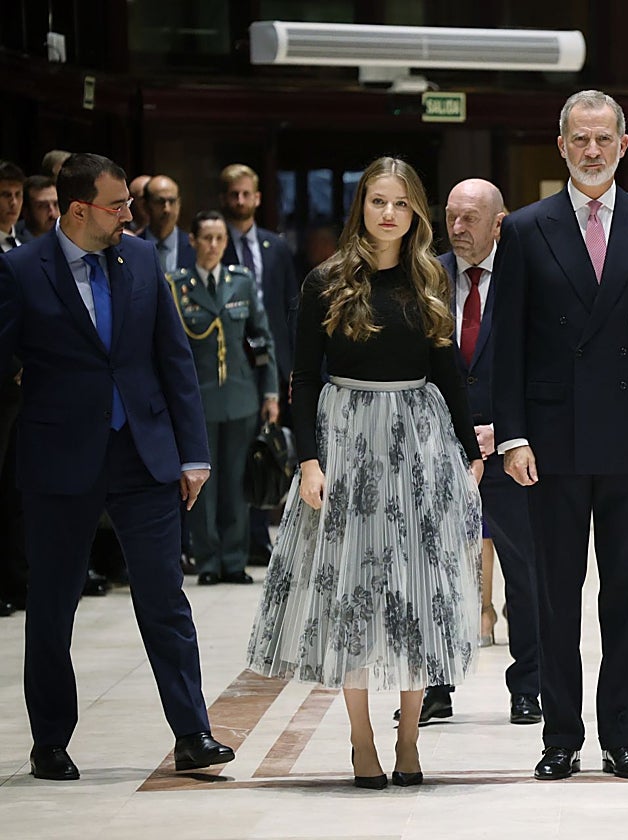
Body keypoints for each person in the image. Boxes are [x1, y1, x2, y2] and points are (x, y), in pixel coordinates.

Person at [245, 156, 484, 790]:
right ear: (362, 208)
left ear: (415, 214)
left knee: (413, 592)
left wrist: (469, 452)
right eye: (378, 201)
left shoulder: (431, 276)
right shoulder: (325, 279)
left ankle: (409, 739)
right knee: (352, 595)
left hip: (417, 439)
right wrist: (308, 459)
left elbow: (449, 374)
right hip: (346, 439)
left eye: (401, 204)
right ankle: (361, 739)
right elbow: (301, 377)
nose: (388, 213)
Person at [0, 153, 234, 780]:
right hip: (58, 461)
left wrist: (192, 452)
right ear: (79, 210)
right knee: (52, 606)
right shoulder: (20, 270)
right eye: (118, 206)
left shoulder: (141, 261)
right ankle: (50, 740)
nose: (130, 215)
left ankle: (193, 733)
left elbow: (174, 358)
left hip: (144, 452)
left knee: (164, 600)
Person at [492, 89, 628, 781]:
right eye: (580, 139)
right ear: (561, 146)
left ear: (624, 144)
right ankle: (560, 737)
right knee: (555, 595)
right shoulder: (523, 228)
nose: (592, 150)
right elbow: (506, 345)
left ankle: (622, 737)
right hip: (550, 442)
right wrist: (511, 437)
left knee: (625, 597)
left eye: (604, 138)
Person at [420, 178, 542, 728]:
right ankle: (436, 686)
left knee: (524, 570)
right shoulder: (425, 277)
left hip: (511, 451)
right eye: (451, 217)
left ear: (500, 223)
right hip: (438, 449)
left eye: (471, 219)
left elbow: (544, 367)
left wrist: (507, 432)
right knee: (437, 570)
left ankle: (528, 687)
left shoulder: (527, 279)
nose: (458, 229)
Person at [168, 211, 278, 585]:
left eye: (219, 239)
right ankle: (208, 561)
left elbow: (262, 338)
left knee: (235, 481)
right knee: (203, 485)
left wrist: (270, 391)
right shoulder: (176, 287)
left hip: (240, 396)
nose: (213, 246)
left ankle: (234, 560)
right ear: (193, 242)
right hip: (196, 401)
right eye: (206, 238)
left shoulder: (240, 283)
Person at [219, 163, 301, 563]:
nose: (240, 200)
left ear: (258, 197)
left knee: (269, 450)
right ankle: (241, 537)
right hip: (231, 364)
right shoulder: (215, 243)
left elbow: (291, 309)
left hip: (274, 363)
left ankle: (265, 532)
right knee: (237, 454)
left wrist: (292, 368)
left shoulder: (276, 246)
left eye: (246, 193)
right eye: (233, 194)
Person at [139, 175, 194, 274]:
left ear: (179, 204)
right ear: (145, 206)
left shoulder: (195, 248)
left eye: (172, 201)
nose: (167, 209)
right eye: (160, 202)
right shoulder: (132, 249)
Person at [16, 175, 59, 240]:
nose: (52, 213)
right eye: (43, 206)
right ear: (25, 211)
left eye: (56, 204)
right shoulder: (14, 244)